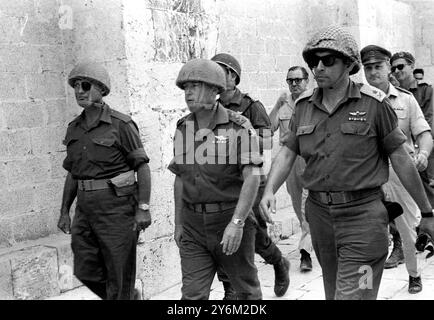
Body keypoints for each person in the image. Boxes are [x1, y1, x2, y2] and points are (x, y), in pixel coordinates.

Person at [259, 25, 434, 300]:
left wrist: (427, 212)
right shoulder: (303, 106)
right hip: (319, 217)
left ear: (349, 64)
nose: (318, 67)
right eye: (313, 61)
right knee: (334, 292)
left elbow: (400, 158)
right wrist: (269, 190)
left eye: (328, 60)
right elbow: (287, 150)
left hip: (363, 218)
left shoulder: (374, 104)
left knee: (355, 296)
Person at [169, 58, 263, 300]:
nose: (188, 92)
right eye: (185, 87)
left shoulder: (238, 126)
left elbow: (252, 175)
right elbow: (180, 178)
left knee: (245, 292)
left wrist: (237, 222)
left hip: (228, 219)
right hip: (192, 226)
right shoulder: (183, 127)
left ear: (214, 90)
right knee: (192, 296)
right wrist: (179, 223)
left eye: (195, 86)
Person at [57, 61, 152, 300]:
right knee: (85, 269)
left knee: (119, 272)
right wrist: (63, 210)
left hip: (117, 210)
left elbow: (142, 167)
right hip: (85, 210)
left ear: (101, 89)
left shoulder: (121, 125)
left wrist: (143, 208)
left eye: (86, 85)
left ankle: (124, 296)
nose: (80, 91)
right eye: (76, 86)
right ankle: (129, 297)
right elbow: (72, 172)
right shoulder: (74, 128)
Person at [210, 53, 290, 298]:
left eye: (219, 71)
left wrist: (237, 137)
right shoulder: (209, 107)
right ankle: (230, 288)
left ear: (233, 76)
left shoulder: (251, 105)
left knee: (254, 237)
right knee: (225, 234)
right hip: (222, 183)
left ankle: (278, 262)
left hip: (250, 180)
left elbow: (266, 140)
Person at [361, 44, 433, 294]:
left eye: (378, 66)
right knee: (366, 236)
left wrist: (423, 153)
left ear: (388, 67)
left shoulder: (406, 99)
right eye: (367, 67)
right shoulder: (356, 100)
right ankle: (365, 287)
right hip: (368, 176)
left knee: (409, 230)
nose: (372, 72)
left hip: (400, 174)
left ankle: (414, 275)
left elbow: (424, 133)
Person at [269, 66, 313, 272]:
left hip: (312, 161)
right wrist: (277, 106)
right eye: (290, 80)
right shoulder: (284, 104)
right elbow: (268, 129)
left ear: (306, 81)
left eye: (298, 80)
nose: (294, 84)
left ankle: (305, 252)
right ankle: (314, 242)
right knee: (298, 204)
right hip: (290, 163)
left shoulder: (315, 101)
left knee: (307, 207)